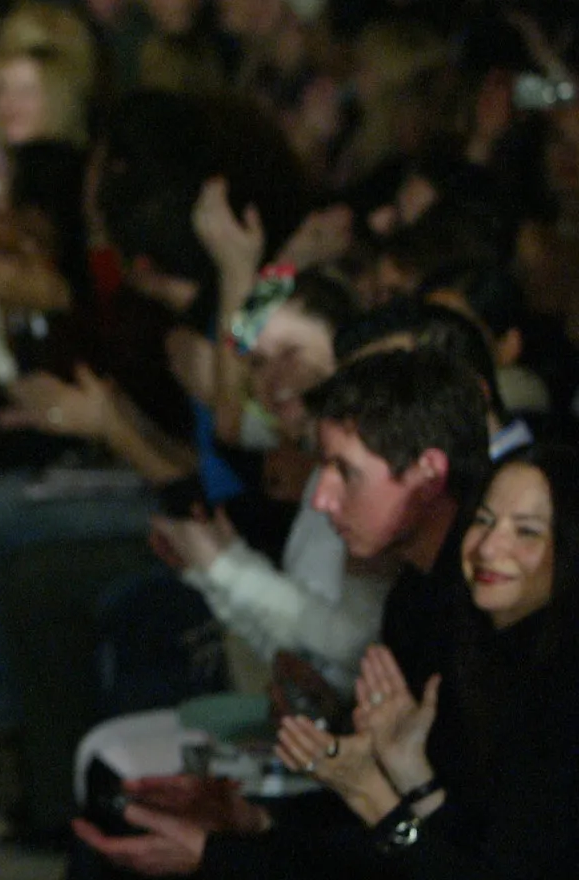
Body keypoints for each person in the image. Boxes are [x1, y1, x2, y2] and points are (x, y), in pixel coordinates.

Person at [73, 347, 492, 877]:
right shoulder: (416, 595)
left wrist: (223, 853)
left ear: (428, 474)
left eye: (345, 472)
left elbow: (446, 843)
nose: (321, 499)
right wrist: (255, 818)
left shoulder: (480, 614)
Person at [274, 442, 579, 878]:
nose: (488, 547)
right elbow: (480, 848)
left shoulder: (563, 688)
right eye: (483, 521)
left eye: (527, 531)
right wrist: (410, 770)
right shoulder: (492, 648)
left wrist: (370, 794)